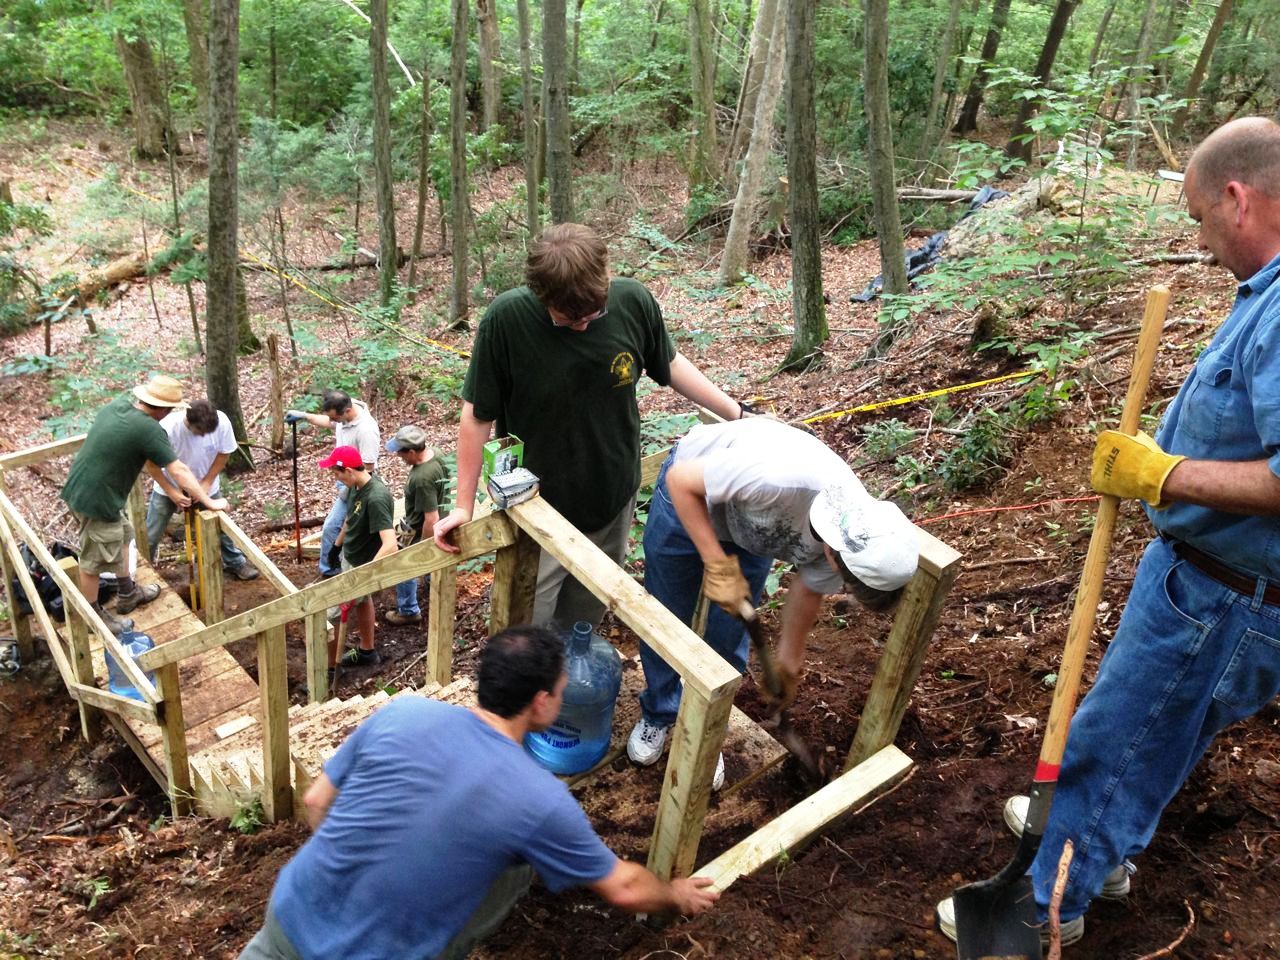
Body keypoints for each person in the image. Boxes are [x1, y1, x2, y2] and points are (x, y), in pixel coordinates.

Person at [936, 117, 1280, 947]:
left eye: (1201, 219)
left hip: (1223, 599)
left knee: (1113, 739)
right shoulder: (1266, 293)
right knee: (1157, 736)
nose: (1201, 243)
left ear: (1237, 199)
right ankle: (1101, 848)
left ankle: (1048, 904)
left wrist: (1161, 476)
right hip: (1214, 586)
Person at [238, 625, 718, 960]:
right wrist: (674, 895)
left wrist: (360, 863)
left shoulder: (402, 714)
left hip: (290, 917)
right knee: (519, 861)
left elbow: (318, 801)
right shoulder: (539, 800)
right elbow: (625, 887)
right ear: (542, 702)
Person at [433, 223, 744, 629]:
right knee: (527, 629)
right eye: (566, 319)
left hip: (612, 499)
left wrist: (739, 415)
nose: (581, 326)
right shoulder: (507, 321)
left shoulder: (633, 302)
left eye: (592, 315)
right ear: (541, 296)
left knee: (583, 622)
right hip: (536, 509)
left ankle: (571, 687)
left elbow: (667, 363)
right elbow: (477, 417)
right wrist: (462, 505)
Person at [629, 417, 920, 788]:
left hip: (752, 530)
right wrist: (717, 564)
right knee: (668, 617)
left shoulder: (860, 538)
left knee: (728, 635)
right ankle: (660, 711)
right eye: (842, 578)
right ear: (834, 552)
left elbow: (808, 588)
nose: (839, 583)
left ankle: (704, 732)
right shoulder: (779, 479)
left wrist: (789, 656)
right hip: (693, 494)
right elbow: (681, 481)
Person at [60, 375, 229, 635]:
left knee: (125, 535)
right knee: (93, 559)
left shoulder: (116, 407)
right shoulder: (150, 429)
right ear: (163, 409)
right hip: (95, 500)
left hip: (87, 489)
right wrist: (209, 501)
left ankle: (128, 593)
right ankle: (93, 617)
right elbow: (179, 470)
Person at [144, 398, 260, 581]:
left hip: (206, 486)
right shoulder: (167, 428)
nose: (205, 436)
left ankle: (235, 562)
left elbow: (224, 453)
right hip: (169, 486)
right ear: (189, 423)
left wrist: (206, 483)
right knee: (151, 532)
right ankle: (142, 572)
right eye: (201, 432)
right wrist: (172, 492)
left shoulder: (222, 422)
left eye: (209, 433)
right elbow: (151, 465)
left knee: (220, 526)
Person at [318, 445, 396, 670]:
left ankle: (330, 667)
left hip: (361, 564)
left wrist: (366, 574)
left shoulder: (377, 497)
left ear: (349, 470)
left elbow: (390, 545)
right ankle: (367, 651)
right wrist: (336, 547)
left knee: (330, 615)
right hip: (350, 556)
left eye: (337, 473)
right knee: (363, 603)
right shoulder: (355, 486)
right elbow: (350, 519)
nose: (336, 478)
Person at [286, 390, 380, 577]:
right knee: (340, 527)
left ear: (346, 411)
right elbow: (328, 422)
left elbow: (369, 467)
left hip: (358, 485)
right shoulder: (344, 413)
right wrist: (304, 416)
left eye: (336, 418)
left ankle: (332, 571)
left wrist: (351, 490)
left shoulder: (366, 430)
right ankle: (334, 568)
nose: (334, 421)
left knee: (334, 526)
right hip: (345, 480)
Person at [383, 424, 451, 626]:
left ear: (412, 452)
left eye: (401, 453)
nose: (398, 456)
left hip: (421, 527)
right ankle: (432, 586)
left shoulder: (422, 477)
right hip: (440, 519)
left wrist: (425, 548)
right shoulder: (437, 453)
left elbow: (431, 518)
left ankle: (408, 610)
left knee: (403, 563)